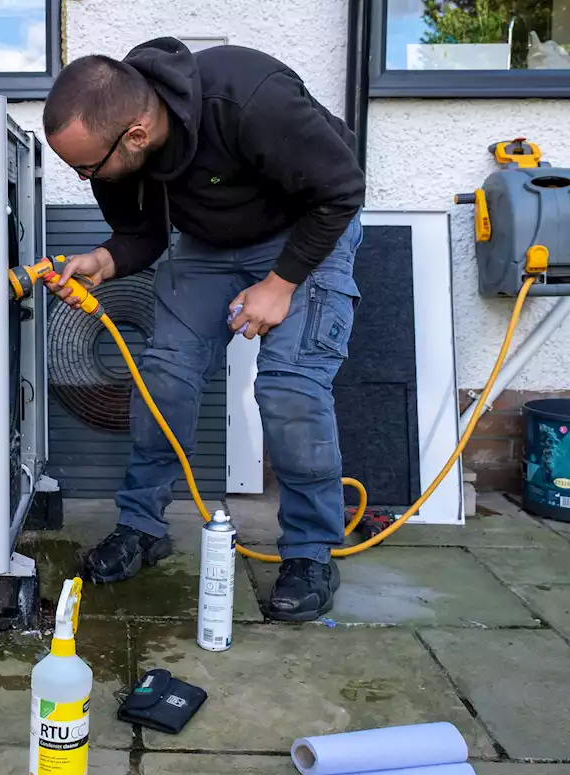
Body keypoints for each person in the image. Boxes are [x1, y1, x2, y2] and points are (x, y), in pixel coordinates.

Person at [40, 37, 365, 621]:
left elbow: (341, 192)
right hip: (210, 246)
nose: (84, 176)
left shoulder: (246, 97)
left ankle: (311, 550)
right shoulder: (113, 152)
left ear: (135, 134)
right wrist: (102, 261)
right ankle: (141, 526)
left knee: (289, 388)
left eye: (88, 166)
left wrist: (280, 283)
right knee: (164, 375)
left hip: (308, 230)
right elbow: (143, 235)